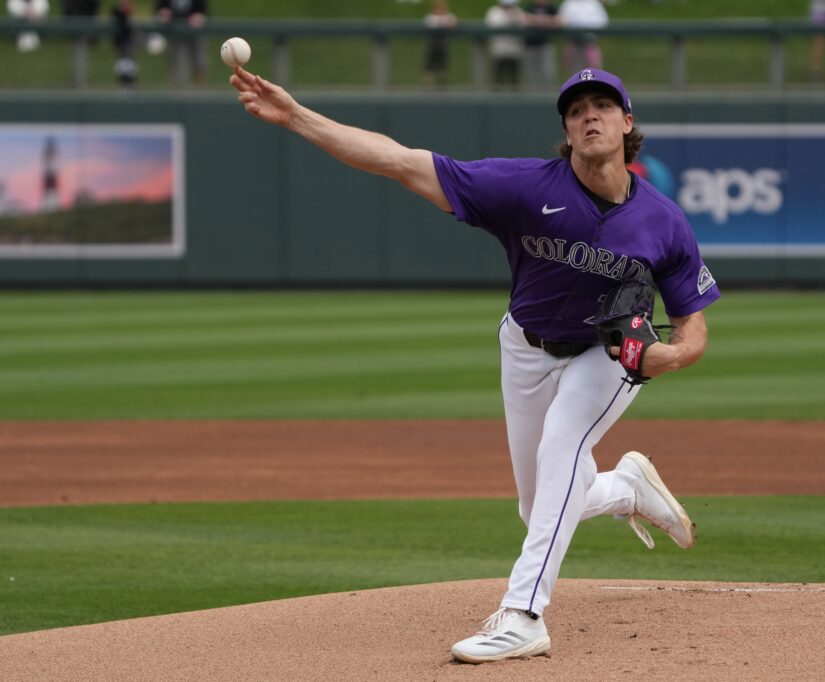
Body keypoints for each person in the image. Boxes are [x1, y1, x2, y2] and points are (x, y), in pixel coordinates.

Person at [229, 64, 719, 664]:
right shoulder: (523, 187)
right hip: (525, 347)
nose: (589, 115)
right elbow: (399, 161)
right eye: (576, 110)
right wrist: (297, 117)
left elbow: (693, 325)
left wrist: (672, 356)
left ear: (626, 123)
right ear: (567, 131)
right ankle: (624, 488)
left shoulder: (663, 221)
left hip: (607, 353)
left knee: (563, 447)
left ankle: (523, 615)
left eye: (602, 106)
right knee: (537, 504)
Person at [154, 0, 207, 86]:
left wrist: (200, 15)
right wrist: (162, 12)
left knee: (199, 63)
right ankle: (178, 90)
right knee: (177, 65)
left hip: (194, 31)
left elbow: (203, 10)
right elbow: (159, 9)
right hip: (172, 31)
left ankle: (201, 89)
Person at [485, 0, 526, 89]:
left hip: (515, 52)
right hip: (499, 52)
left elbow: (524, 23)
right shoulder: (494, 12)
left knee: (514, 79)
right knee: (498, 79)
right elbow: (494, 26)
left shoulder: (518, 11)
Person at [558, 0, 607, 71]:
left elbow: (603, 20)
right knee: (575, 70)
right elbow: (561, 20)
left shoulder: (594, 3)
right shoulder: (568, 3)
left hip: (590, 43)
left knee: (594, 69)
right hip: (573, 42)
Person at [523, 0, 560, 90]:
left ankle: (548, 95)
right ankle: (533, 96)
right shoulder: (529, 7)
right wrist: (547, 20)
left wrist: (536, 20)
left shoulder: (551, 8)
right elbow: (525, 19)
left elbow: (560, 21)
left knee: (548, 74)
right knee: (531, 75)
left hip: (545, 45)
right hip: (530, 46)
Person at [422, 0, 457, 88]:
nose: (440, 10)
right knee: (428, 67)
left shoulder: (449, 16)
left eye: (442, 8)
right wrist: (444, 23)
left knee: (443, 68)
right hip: (432, 45)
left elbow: (454, 22)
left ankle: (442, 86)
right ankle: (427, 87)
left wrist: (447, 23)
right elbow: (429, 23)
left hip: (443, 46)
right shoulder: (430, 17)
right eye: (438, 8)